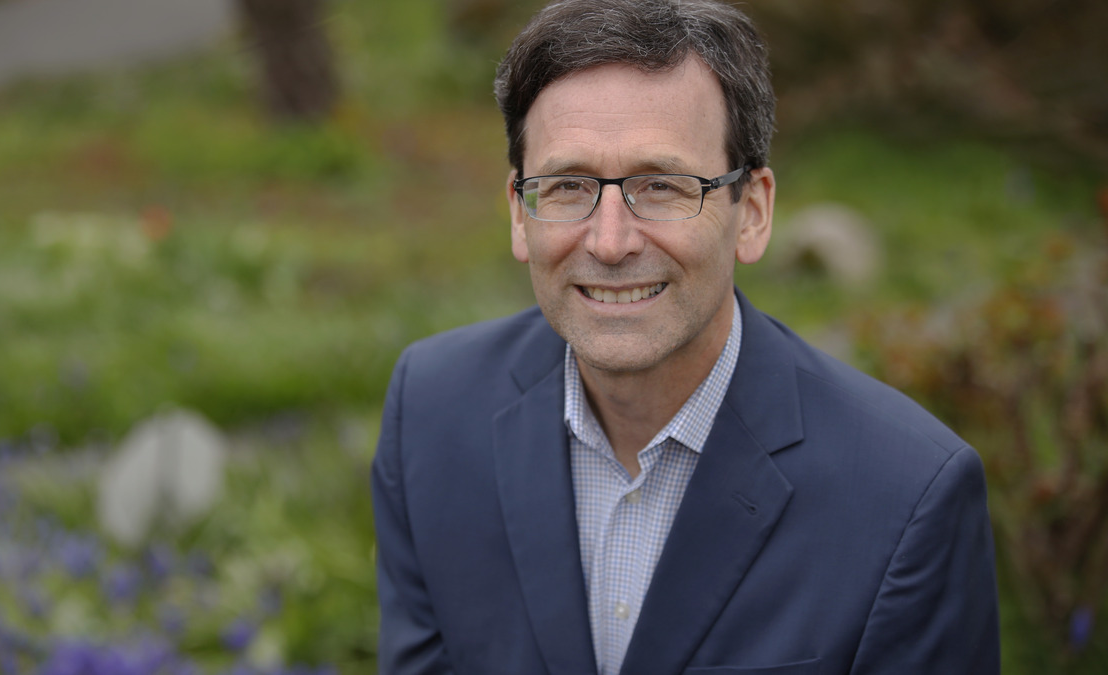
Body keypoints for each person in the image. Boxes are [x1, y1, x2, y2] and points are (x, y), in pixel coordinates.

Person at [370, 0, 1000, 673]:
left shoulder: (906, 497)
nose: (609, 242)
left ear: (752, 212)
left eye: (662, 185)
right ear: (520, 215)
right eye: (567, 186)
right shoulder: (432, 414)